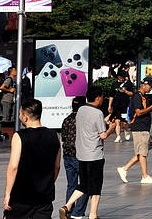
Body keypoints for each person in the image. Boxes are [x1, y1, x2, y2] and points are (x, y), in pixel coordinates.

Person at [60, 88, 113, 219]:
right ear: (98, 98)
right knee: (96, 187)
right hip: (94, 155)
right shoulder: (98, 113)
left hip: (81, 154)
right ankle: (93, 215)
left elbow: (88, 127)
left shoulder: (81, 110)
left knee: (83, 184)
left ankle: (67, 206)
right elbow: (103, 135)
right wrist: (111, 127)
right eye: (101, 97)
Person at [3, 99, 60, 219]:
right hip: (44, 196)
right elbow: (57, 166)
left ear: (25, 117)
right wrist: (47, 183)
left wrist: (8, 193)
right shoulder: (54, 135)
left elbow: (13, 167)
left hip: (22, 196)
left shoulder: (19, 136)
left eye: (20, 113)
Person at [118, 77, 152, 184]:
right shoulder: (137, 96)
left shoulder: (143, 96)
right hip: (139, 127)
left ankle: (124, 169)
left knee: (142, 152)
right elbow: (138, 112)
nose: (151, 88)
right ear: (144, 85)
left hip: (143, 128)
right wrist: (151, 107)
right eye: (151, 86)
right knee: (142, 153)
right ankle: (144, 176)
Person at [60, 97, 88, 219]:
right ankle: (78, 212)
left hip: (67, 156)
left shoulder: (66, 120)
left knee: (71, 185)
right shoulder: (82, 120)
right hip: (80, 156)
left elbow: (63, 138)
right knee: (85, 185)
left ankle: (68, 210)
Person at [107, 71, 134, 142]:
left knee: (125, 122)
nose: (122, 78)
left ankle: (126, 129)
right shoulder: (114, 84)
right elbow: (111, 96)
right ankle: (118, 136)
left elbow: (132, 94)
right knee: (117, 121)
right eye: (120, 77)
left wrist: (125, 91)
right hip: (116, 105)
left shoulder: (128, 84)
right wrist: (110, 105)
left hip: (125, 105)